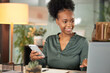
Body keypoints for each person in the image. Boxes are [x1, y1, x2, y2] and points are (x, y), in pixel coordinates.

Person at [30, 0, 88, 71]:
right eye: (65, 21)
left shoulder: (82, 42)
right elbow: (43, 64)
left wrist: (86, 66)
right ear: (57, 21)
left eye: (72, 21)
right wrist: (34, 59)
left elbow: (84, 68)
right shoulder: (50, 41)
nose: (69, 25)